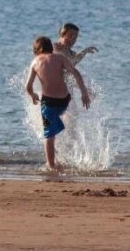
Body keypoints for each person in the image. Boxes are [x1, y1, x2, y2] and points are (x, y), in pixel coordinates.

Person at [25, 36, 90, 171]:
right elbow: (76, 73)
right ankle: (60, 132)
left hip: (49, 102)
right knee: (57, 121)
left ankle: (51, 164)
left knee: (48, 135)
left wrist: (32, 95)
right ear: (51, 48)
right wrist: (84, 93)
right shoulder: (60, 58)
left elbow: (28, 86)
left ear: (36, 51)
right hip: (65, 100)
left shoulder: (35, 62)